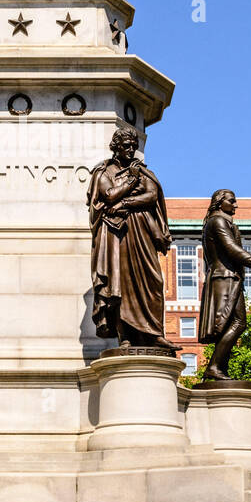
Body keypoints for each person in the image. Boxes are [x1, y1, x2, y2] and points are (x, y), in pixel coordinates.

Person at [87, 127, 173, 350]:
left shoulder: (141, 170)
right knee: (120, 283)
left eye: (134, 146)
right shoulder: (103, 172)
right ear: (116, 147)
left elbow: (152, 195)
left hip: (142, 231)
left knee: (154, 279)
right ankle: (124, 336)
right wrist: (131, 183)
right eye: (126, 146)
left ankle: (154, 332)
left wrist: (125, 202)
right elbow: (108, 195)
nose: (131, 150)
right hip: (117, 234)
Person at [198, 189, 251, 379]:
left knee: (234, 324)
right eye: (232, 201)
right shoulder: (217, 221)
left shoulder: (222, 222)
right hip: (224, 279)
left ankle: (218, 368)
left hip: (230, 279)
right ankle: (215, 367)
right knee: (237, 322)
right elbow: (232, 250)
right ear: (219, 203)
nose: (236, 205)